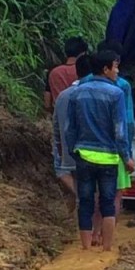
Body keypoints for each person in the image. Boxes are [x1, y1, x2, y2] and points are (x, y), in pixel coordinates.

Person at [66, 50, 135, 251]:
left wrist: (74, 152)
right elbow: (120, 130)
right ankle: (106, 249)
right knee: (107, 203)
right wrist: (126, 157)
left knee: (85, 202)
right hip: (108, 159)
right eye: (115, 67)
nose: (117, 71)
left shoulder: (77, 92)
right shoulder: (116, 94)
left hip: (83, 157)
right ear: (105, 69)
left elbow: (70, 128)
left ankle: (86, 248)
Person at [52, 54, 92, 210]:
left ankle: (79, 201)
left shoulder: (63, 95)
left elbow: (56, 126)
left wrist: (60, 149)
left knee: (64, 171)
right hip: (92, 152)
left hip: (69, 150)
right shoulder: (102, 94)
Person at [44, 36, 88, 112]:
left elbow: (47, 103)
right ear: (83, 53)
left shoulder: (53, 72)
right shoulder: (85, 70)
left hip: (60, 113)